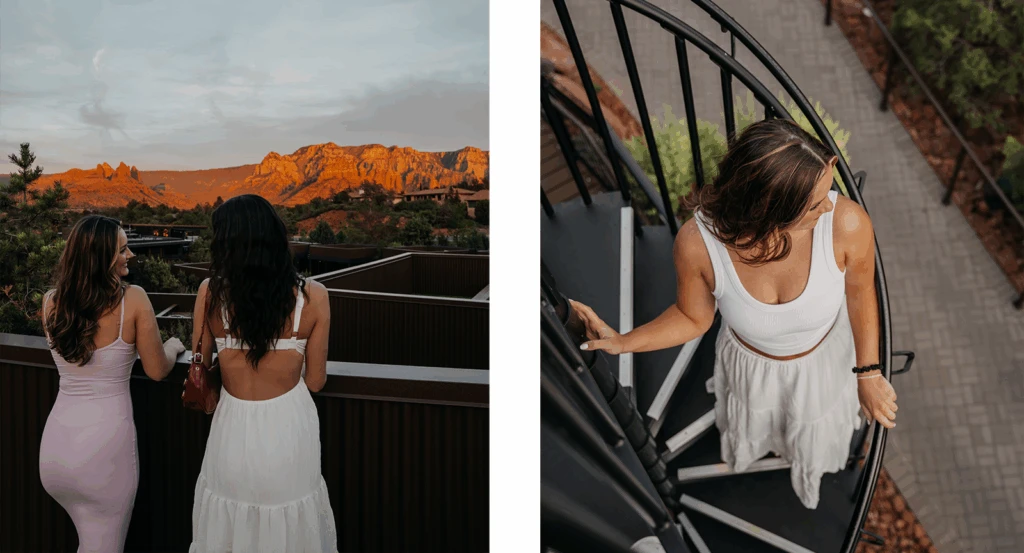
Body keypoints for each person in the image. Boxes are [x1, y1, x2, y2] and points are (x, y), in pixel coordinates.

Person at [571, 118, 899, 509]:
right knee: (759, 420)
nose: (828, 205)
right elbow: (693, 318)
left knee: (810, 428)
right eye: (814, 204)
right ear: (767, 209)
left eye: (827, 191)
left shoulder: (846, 224)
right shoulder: (698, 244)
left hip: (823, 363)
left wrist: (868, 371)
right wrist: (625, 342)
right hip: (752, 366)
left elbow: (861, 293)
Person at [188, 194, 337, 552]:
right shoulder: (314, 297)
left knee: (229, 521)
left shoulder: (210, 294)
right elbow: (316, 380)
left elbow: (200, 360)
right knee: (289, 526)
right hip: (289, 431)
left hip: (232, 429)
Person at [39, 214, 186, 552]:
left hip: (56, 451)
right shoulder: (132, 300)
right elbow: (157, 369)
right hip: (103, 455)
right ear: (100, 258)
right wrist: (174, 346)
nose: (130, 255)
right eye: (122, 249)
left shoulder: (50, 302)